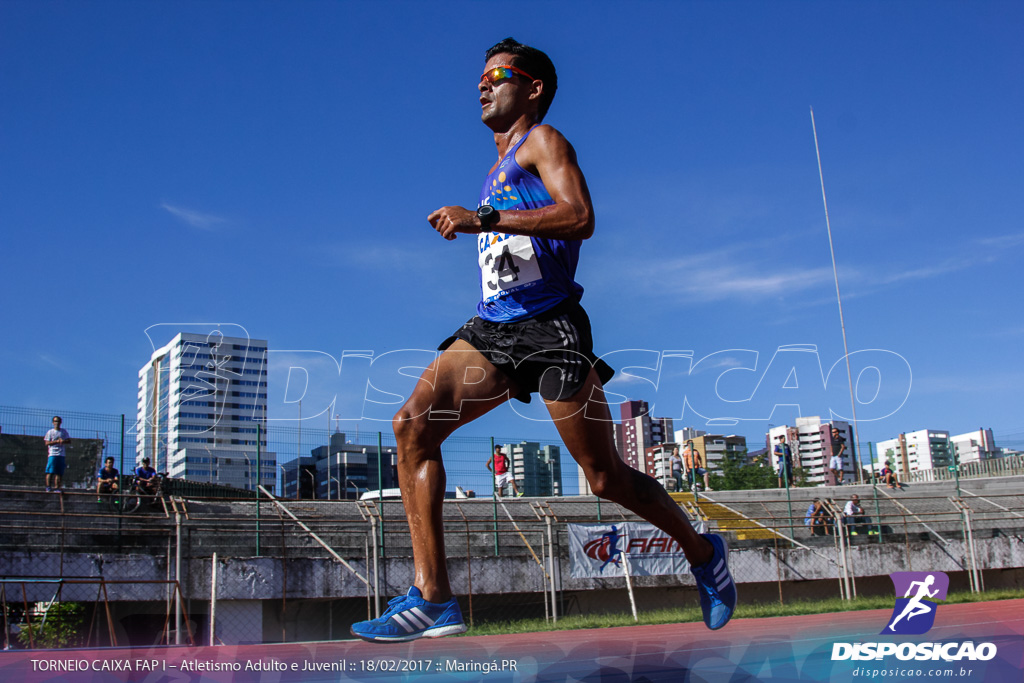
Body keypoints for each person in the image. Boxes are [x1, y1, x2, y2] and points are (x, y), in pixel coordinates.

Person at [349, 37, 735, 643]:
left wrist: (487, 220)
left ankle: (703, 552)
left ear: (532, 88)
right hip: (493, 328)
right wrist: (488, 221)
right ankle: (433, 598)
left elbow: (579, 216)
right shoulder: (492, 172)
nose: (482, 85)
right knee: (411, 427)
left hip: (551, 328)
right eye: (478, 78)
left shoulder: (544, 142)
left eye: (497, 75)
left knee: (605, 477)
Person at [43, 416, 71, 493]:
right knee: (50, 472)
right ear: (53, 422)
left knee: (59, 472)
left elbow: (69, 440)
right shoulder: (50, 432)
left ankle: (57, 488)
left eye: (58, 421)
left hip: (61, 454)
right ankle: (48, 487)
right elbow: (47, 443)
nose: (57, 423)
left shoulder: (63, 432)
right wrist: (56, 441)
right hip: (52, 454)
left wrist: (63, 441)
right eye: (55, 421)